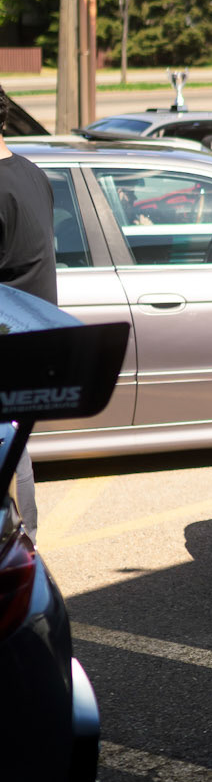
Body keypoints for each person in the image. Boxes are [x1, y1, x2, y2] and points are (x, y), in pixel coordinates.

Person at [0, 87, 56, 533]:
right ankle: (24, 546)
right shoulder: (32, 173)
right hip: (33, 334)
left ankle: (21, 548)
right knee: (11, 446)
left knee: (7, 450)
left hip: (8, 338)